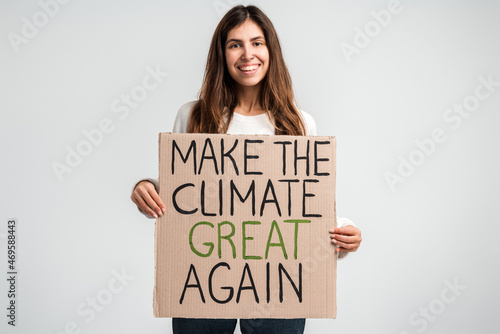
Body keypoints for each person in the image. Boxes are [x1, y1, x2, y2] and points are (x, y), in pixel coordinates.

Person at [130, 5, 362, 334]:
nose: (247, 54)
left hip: (278, 285)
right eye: (235, 44)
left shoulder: (298, 121)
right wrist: (145, 187)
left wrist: (345, 231)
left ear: (271, 51)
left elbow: (303, 204)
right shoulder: (193, 117)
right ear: (222, 54)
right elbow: (181, 193)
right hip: (204, 280)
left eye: (257, 43)